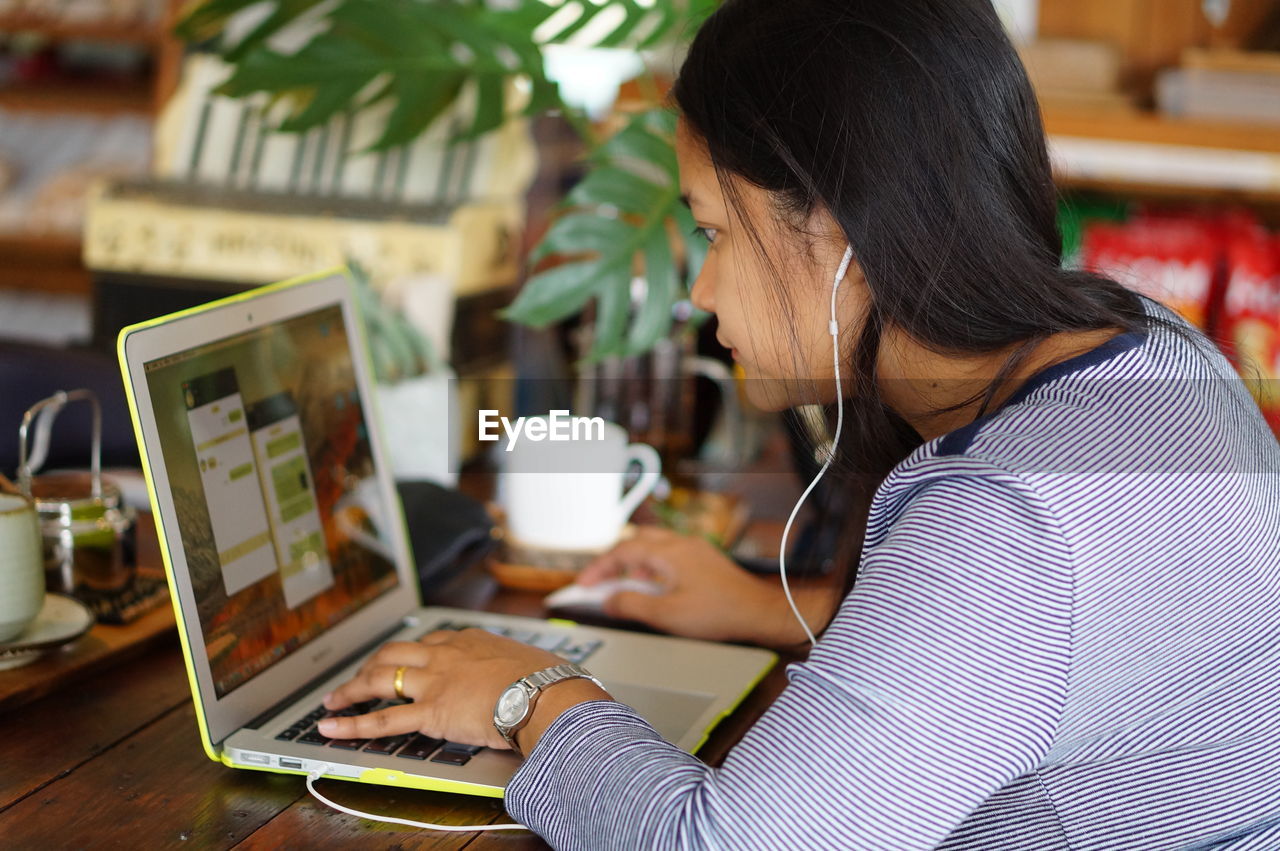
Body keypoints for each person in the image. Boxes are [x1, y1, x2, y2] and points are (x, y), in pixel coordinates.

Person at [317, 0, 1280, 847]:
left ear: (837, 230)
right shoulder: (1143, 343)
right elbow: (1052, 653)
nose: (699, 290)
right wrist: (762, 605)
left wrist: (529, 693)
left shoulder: (1013, 516)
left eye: (712, 232)